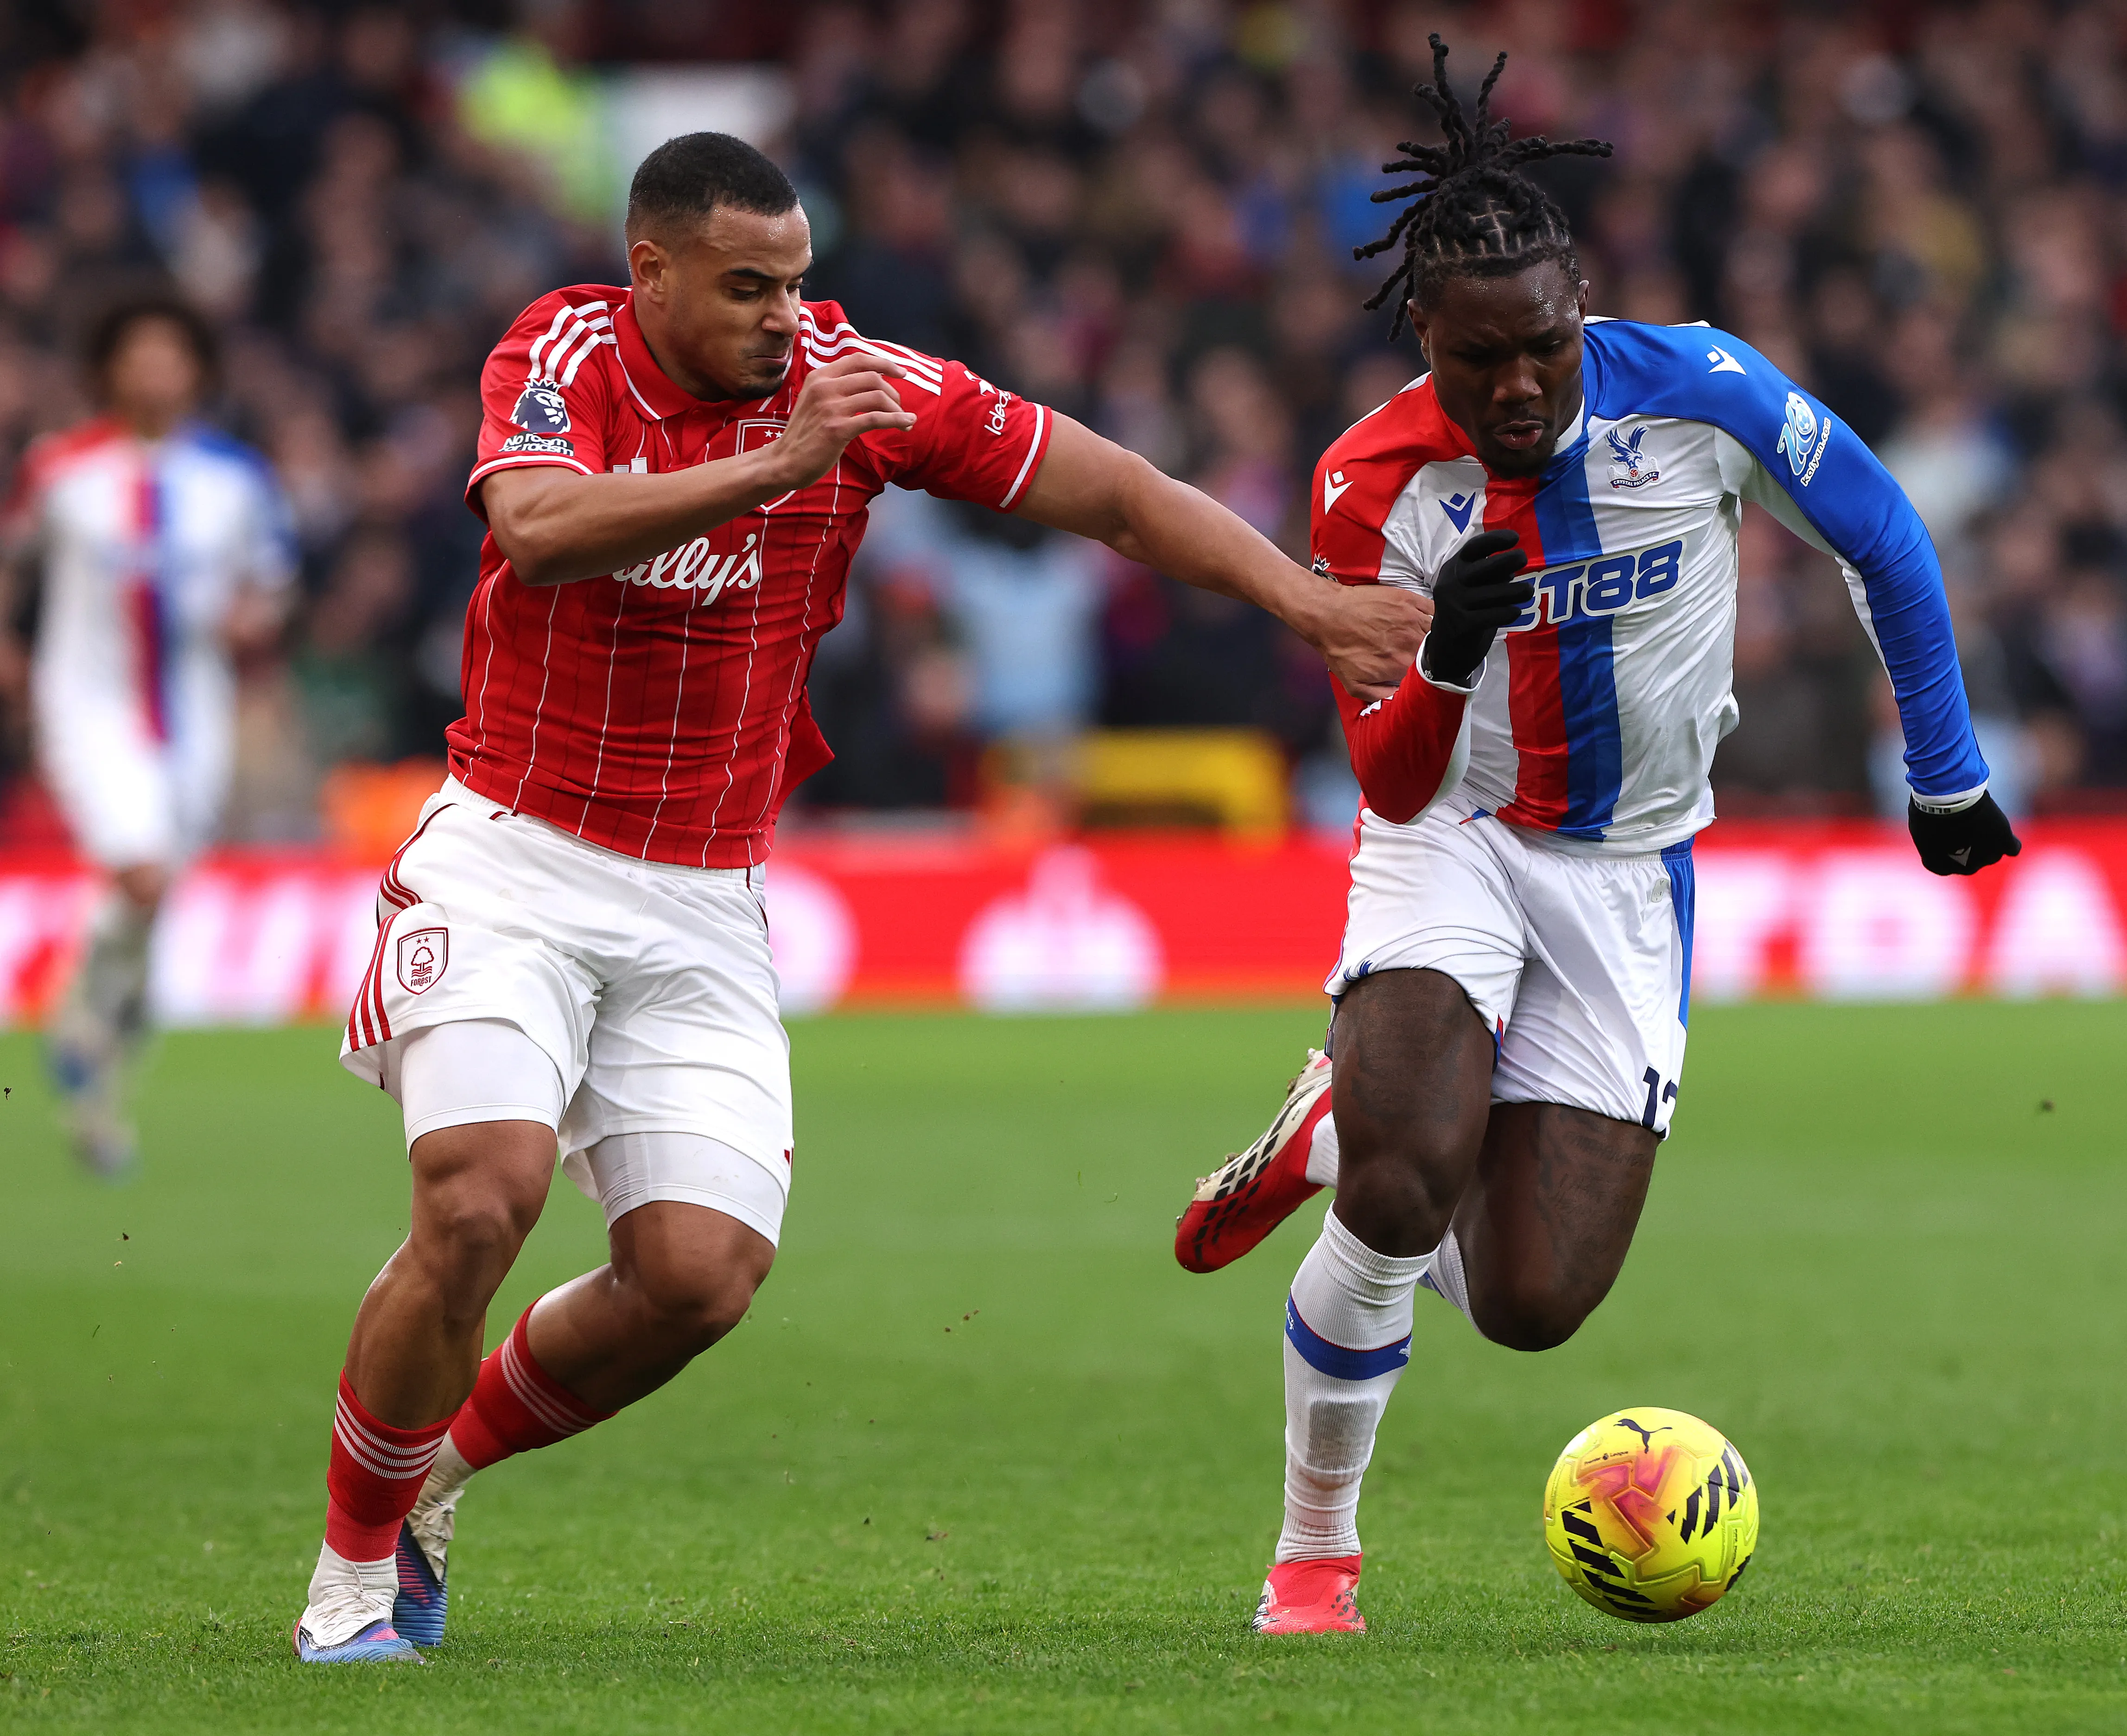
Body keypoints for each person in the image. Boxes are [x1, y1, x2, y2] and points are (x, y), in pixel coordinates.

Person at [291, 132, 1425, 1664]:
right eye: (745, 286)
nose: (782, 316)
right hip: (513, 853)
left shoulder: (859, 381)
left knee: (696, 1279)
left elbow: (1113, 493)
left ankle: (430, 1474)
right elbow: (534, 531)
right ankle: (352, 1577)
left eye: (797, 282)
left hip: (701, 892)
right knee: (476, 1191)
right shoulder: (564, 350)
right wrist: (774, 463)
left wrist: (1305, 603)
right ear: (651, 273)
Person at [1168, 41, 2021, 1635]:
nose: (1514, 388)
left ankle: (1333, 1124)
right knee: (1404, 1197)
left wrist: (1944, 773)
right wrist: (1436, 656)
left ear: (1581, 308)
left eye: (1542, 349)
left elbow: (1883, 537)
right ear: (1421, 335)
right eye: (1476, 358)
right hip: (1456, 839)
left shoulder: (1698, 390)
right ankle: (1312, 1560)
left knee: (1534, 1306)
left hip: (1631, 867)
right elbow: (1389, 774)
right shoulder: (1372, 484)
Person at [0, 296, 294, 1177]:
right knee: (139, 871)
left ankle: (94, 1053)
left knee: (153, 892)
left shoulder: (236, 479)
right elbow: (13, 562)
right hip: (87, 701)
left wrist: (255, 620)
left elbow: (272, 585)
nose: (154, 371)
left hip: (192, 706)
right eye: (138, 355)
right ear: (109, 368)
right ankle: (93, 1026)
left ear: (197, 368)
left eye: (171, 355)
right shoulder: (61, 470)